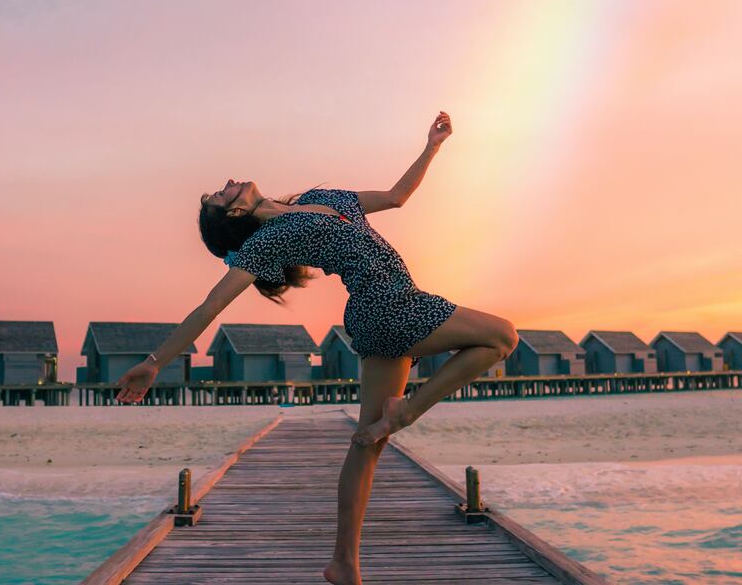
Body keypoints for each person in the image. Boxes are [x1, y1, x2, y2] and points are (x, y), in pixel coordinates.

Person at [115, 111, 519, 585]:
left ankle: (344, 563)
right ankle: (406, 412)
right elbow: (209, 308)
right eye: (223, 194)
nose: (228, 182)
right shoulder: (266, 243)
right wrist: (154, 362)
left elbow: (395, 197)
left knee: (368, 442)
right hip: (391, 304)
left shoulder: (319, 197)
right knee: (503, 336)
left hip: (376, 316)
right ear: (236, 215)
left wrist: (433, 146)